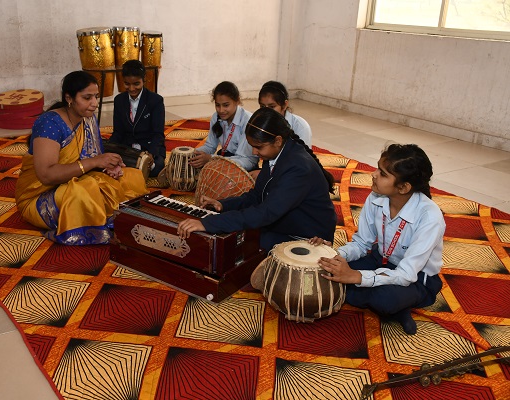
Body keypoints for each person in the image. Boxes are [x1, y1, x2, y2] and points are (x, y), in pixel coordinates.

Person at [310, 144, 445, 335]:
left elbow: (406, 274)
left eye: (382, 174)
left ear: (404, 187)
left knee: (384, 299)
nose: (373, 174)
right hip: (380, 260)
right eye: (377, 169)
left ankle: (401, 306)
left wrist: (356, 277)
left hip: (417, 278)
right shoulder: (376, 196)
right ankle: (382, 299)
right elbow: (362, 243)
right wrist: (333, 254)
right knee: (331, 271)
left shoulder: (430, 217)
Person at [15, 70, 148, 245]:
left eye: (96, 97)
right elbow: (46, 175)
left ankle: (116, 220)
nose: (94, 103)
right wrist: (94, 162)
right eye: (87, 98)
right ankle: (93, 228)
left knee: (130, 177)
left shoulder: (88, 118)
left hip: (77, 178)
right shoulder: (50, 124)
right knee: (85, 191)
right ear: (69, 98)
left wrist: (108, 166)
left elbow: (94, 155)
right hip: (40, 194)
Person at [178, 107, 337, 252]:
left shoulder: (298, 169)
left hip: (308, 236)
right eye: (252, 146)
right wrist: (224, 204)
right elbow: (256, 196)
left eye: (258, 147)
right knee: (238, 235)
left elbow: (265, 212)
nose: (254, 152)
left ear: (278, 140)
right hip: (285, 223)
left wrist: (208, 223)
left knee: (242, 245)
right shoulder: (277, 153)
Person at [108, 59, 166, 177]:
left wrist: (151, 154)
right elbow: (118, 132)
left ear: (144, 80)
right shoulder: (119, 100)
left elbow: (158, 134)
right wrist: (109, 149)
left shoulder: (155, 100)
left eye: (136, 84)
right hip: (127, 147)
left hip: (149, 146)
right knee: (107, 160)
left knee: (156, 168)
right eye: (127, 84)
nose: (132, 88)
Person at [189, 81, 258, 171]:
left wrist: (210, 159)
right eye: (217, 105)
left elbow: (245, 159)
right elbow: (210, 146)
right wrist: (192, 153)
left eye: (226, 105)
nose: (221, 110)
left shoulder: (248, 121)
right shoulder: (216, 117)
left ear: (237, 101)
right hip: (225, 156)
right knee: (193, 165)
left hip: (245, 163)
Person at [258, 81, 312, 148]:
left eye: (272, 107)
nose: (266, 111)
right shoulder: (258, 122)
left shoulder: (301, 127)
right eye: (262, 106)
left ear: (284, 105)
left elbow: (302, 155)